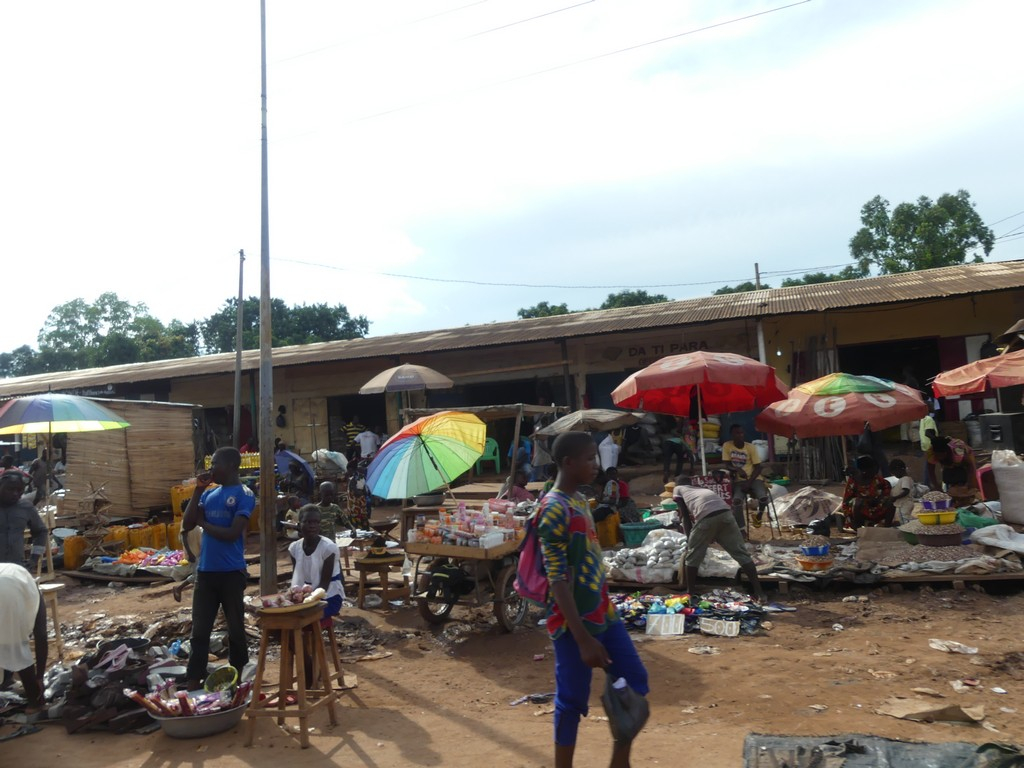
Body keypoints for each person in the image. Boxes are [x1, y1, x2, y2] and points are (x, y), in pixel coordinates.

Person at [537, 431, 648, 767]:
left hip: (604, 613)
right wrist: (583, 639)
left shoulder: (580, 502)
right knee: (571, 701)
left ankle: (620, 761)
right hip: (572, 625)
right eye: (588, 458)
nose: (596, 465)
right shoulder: (553, 508)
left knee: (636, 680)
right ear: (567, 463)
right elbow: (557, 579)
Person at [182, 447, 255, 689]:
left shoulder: (244, 494)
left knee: (235, 628)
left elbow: (232, 533)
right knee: (200, 629)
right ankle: (194, 677)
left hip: (231, 572)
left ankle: (237, 673)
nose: (211, 469)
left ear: (232, 466)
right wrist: (198, 490)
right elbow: (188, 522)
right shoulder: (209, 495)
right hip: (206, 572)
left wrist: (204, 522)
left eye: (214, 464)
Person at [673, 477, 766, 601]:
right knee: (741, 553)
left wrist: (691, 540)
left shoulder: (678, 489)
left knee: (693, 556)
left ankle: (690, 592)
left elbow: (684, 516)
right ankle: (760, 593)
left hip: (707, 518)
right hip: (726, 515)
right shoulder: (700, 490)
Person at [0, 563, 47, 711]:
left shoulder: (13, 572)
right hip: (9, 593)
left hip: (9, 590)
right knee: (17, 647)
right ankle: (35, 700)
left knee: (10, 643)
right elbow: (41, 636)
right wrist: (39, 677)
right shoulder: (33, 589)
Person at [289, 505, 344, 629]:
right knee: (286, 618)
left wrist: (305, 601)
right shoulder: (294, 548)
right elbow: (297, 578)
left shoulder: (329, 548)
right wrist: (294, 595)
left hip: (328, 597)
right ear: (299, 524)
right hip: (306, 596)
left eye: (316, 522)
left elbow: (323, 586)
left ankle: (309, 648)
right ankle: (299, 648)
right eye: (308, 522)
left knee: (303, 620)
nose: (312, 525)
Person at [722, 424, 768, 529]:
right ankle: (741, 528)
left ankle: (759, 516)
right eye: (737, 433)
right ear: (732, 435)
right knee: (736, 502)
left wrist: (749, 482)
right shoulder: (727, 445)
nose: (740, 435)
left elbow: (758, 467)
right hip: (739, 481)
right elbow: (727, 464)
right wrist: (737, 469)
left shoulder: (750, 447)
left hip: (754, 479)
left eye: (741, 433)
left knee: (764, 498)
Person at [0, 471, 47, 569]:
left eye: (19, 490)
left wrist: (34, 558)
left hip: (16, 567)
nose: (15, 493)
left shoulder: (26, 507)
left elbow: (41, 532)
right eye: (10, 489)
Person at [841, 456, 894, 530]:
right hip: (859, 510)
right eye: (873, 471)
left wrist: (880, 498)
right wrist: (863, 500)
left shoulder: (876, 479)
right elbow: (846, 501)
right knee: (858, 502)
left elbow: (887, 486)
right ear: (864, 471)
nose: (876, 473)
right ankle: (859, 528)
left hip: (875, 507)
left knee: (890, 503)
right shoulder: (853, 481)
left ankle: (887, 528)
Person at [661, 419, 692, 483]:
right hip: (677, 444)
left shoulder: (668, 436)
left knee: (667, 458)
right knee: (680, 459)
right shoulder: (680, 438)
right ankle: (677, 474)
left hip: (667, 443)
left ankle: (666, 471)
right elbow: (686, 446)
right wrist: (689, 449)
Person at [346, 458, 372, 530]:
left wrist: (359, 493)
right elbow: (366, 491)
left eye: (348, 470)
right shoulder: (362, 477)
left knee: (356, 527)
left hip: (354, 508)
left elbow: (355, 493)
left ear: (351, 469)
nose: (347, 472)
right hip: (362, 507)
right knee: (364, 525)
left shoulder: (353, 480)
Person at [888, 459, 915, 525]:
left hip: (904, 503)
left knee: (904, 518)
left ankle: (909, 528)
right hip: (905, 503)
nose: (895, 476)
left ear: (899, 470)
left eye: (894, 474)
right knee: (904, 517)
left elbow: (906, 491)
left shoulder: (905, 479)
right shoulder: (904, 479)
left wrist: (895, 497)